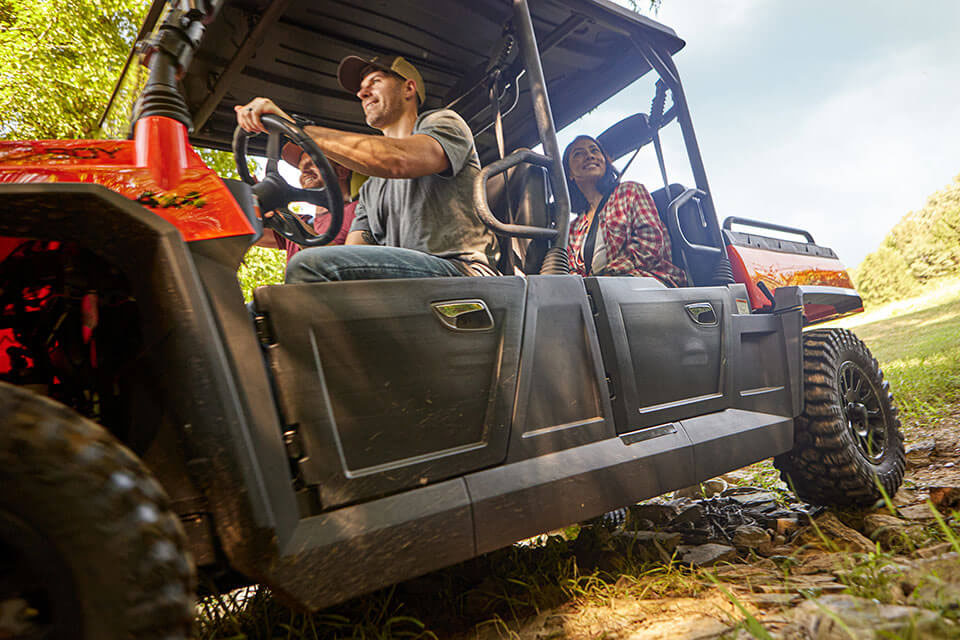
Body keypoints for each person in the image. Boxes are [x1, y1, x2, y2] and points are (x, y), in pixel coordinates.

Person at [235, 54, 499, 281]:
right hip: (409, 279)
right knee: (262, 311)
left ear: (408, 88)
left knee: (311, 268)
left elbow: (398, 159)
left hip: (461, 270)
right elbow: (352, 253)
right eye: (361, 87)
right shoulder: (372, 188)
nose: (362, 93)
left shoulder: (443, 123)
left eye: (375, 81)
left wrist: (296, 127)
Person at [562, 135, 686, 287]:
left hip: (647, 282)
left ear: (605, 162)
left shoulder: (630, 191)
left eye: (594, 150)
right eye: (578, 154)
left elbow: (650, 242)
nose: (589, 156)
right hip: (602, 293)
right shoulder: (574, 228)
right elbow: (573, 271)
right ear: (570, 174)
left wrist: (609, 276)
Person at [256, 151, 358, 263]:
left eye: (314, 164)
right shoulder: (302, 220)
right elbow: (250, 232)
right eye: (301, 169)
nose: (304, 172)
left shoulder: (358, 210)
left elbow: (348, 265)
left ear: (342, 171)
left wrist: (280, 210)